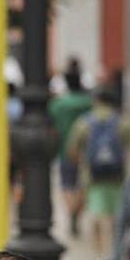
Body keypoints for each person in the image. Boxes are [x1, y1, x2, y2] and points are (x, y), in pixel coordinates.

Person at [67, 86, 130, 258]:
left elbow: (73, 149)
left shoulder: (85, 121)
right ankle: (114, 252)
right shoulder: (122, 121)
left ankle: (99, 252)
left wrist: (81, 162)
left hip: (93, 176)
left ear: (97, 100)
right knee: (115, 216)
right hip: (117, 175)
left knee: (97, 214)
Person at [49, 59, 93, 237]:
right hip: (86, 151)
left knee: (66, 185)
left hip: (64, 150)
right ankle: (77, 212)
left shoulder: (58, 104)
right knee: (82, 185)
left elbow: (51, 124)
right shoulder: (88, 102)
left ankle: (71, 211)